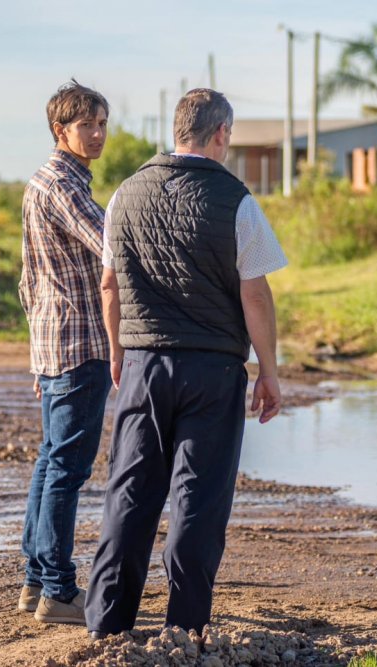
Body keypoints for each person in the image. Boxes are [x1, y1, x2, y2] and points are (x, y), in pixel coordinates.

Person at [85, 88, 286, 637]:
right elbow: (256, 295)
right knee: (198, 499)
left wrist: (118, 354)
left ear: (177, 130)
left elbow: (109, 287)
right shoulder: (237, 200)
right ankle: (185, 630)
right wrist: (268, 370)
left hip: (144, 366)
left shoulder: (125, 194)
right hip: (213, 371)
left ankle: (107, 628)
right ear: (221, 133)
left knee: (129, 494)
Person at [17, 80, 112, 625]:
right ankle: (57, 589)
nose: (97, 134)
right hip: (80, 349)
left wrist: (37, 355)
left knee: (51, 464)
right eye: (87, 125)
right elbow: (113, 248)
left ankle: (35, 584)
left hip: (56, 348)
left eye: (102, 123)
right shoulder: (66, 187)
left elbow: (28, 282)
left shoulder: (42, 182)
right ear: (61, 130)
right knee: (66, 472)